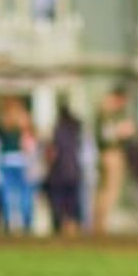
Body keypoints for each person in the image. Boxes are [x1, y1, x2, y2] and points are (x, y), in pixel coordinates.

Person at [0, 96, 37, 236]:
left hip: (6, 160)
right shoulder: (24, 122)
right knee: (24, 194)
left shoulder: (1, 123)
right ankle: (26, 223)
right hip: (21, 160)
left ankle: (7, 223)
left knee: (7, 193)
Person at [93, 86, 134, 235]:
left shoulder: (108, 113)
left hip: (109, 153)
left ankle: (100, 224)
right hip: (111, 153)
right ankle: (100, 225)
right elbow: (107, 135)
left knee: (105, 190)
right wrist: (121, 132)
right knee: (109, 190)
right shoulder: (107, 113)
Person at [45, 99, 84, 236]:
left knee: (59, 202)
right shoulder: (77, 129)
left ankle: (61, 228)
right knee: (73, 203)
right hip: (74, 171)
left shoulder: (58, 130)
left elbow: (53, 152)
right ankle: (74, 228)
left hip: (60, 172)